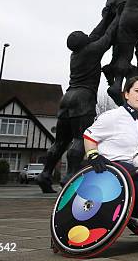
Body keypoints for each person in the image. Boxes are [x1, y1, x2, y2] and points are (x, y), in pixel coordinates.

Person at [36, 16, 119, 193]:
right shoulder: (92, 51)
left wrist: (106, 16)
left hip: (66, 98)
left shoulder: (76, 54)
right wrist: (117, 16)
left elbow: (95, 34)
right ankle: (70, 176)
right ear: (84, 41)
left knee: (60, 141)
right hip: (83, 98)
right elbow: (108, 37)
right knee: (81, 138)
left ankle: (45, 174)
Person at [82, 76, 138, 233]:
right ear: (126, 94)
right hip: (114, 164)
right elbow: (89, 135)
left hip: (135, 162)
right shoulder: (113, 116)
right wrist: (93, 155)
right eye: (137, 91)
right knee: (137, 176)